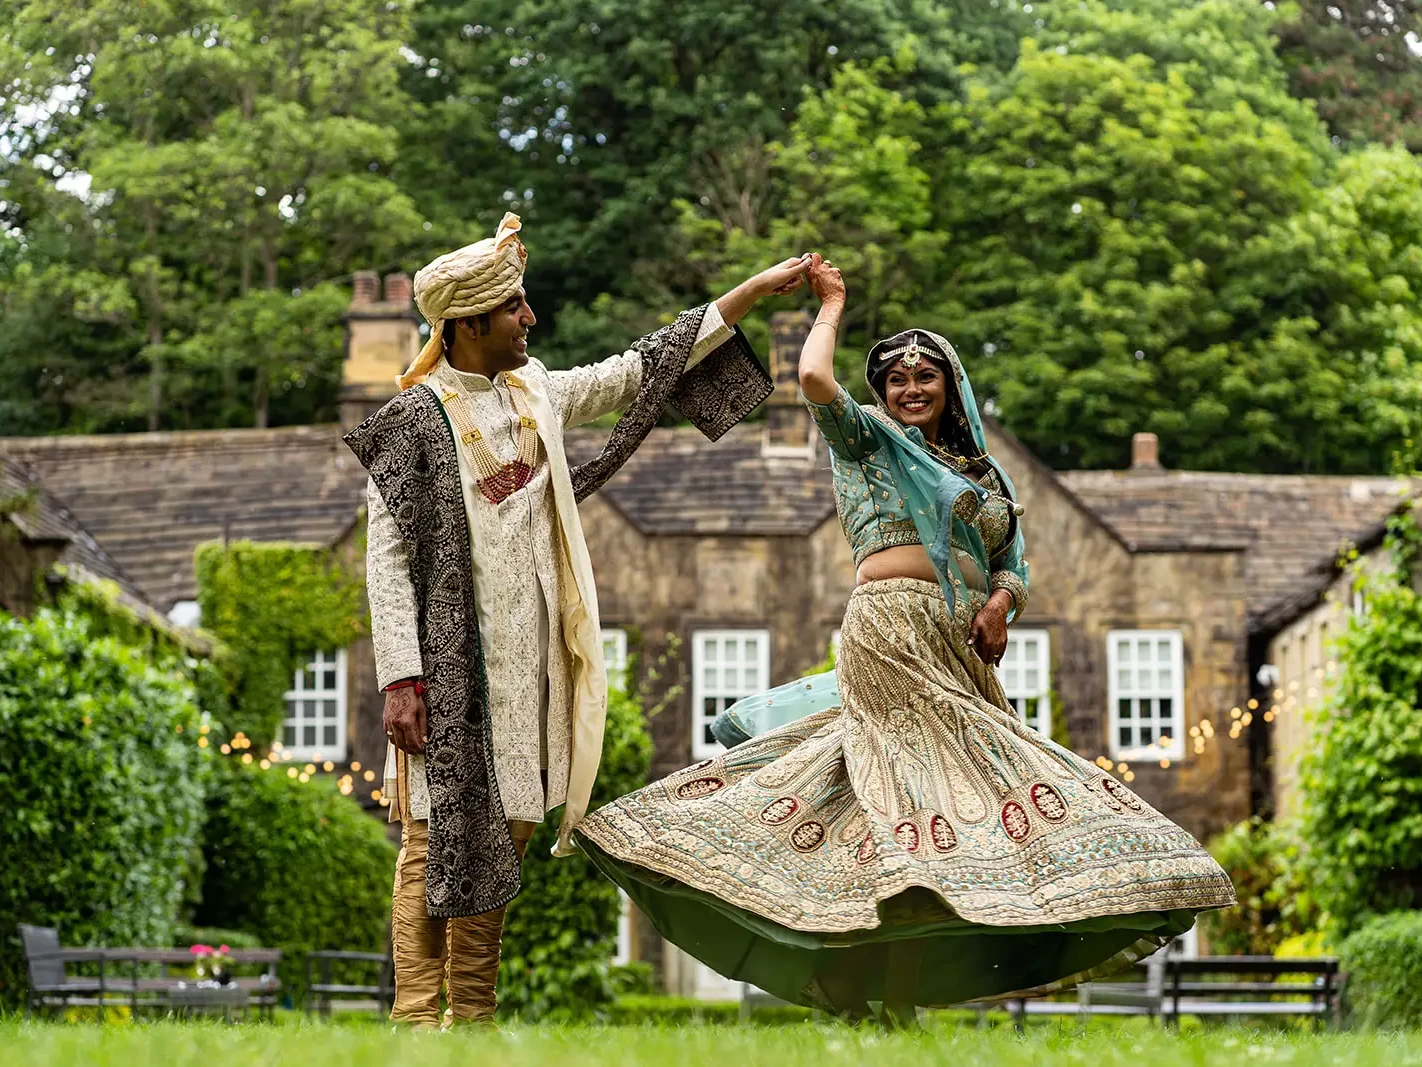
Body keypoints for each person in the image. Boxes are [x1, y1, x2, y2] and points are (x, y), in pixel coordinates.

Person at [575, 255, 1235, 1026]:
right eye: (896, 379)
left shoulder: (986, 475)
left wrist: (1001, 602)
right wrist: (831, 304)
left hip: (959, 650)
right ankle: (858, 983)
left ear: (951, 386)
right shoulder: (870, 440)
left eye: (925, 377)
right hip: (888, 632)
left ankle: (888, 996)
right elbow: (814, 378)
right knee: (909, 801)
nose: (911, 388)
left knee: (940, 819)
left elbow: (1014, 563)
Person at [343, 211, 812, 1028]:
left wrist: (748, 294)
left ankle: (473, 1017)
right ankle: (416, 1018)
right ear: (468, 324)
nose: (530, 317)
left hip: (533, 673)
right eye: (514, 306)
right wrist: (401, 678)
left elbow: (639, 369)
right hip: (446, 672)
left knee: (510, 829)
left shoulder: (539, 394)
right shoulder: (409, 421)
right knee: (433, 835)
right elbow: (384, 559)